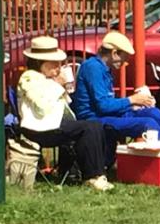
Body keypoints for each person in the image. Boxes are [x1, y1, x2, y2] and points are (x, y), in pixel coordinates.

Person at [16, 36, 114, 191]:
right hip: (40, 129)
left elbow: (63, 104)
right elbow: (41, 106)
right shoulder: (29, 78)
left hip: (53, 125)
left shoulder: (46, 79)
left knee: (94, 126)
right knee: (90, 127)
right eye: (54, 64)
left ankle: (94, 172)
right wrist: (58, 85)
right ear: (40, 63)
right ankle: (93, 176)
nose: (58, 68)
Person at [72, 31, 160, 143]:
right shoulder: (93, 68)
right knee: (148, 123)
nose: (125, 63)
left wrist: (133, 105)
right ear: (114, 53)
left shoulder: (104, 68)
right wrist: (131, 100)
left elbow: (107, 101)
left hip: (106, 115)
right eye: (124, 58)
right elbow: (103, 106)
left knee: (154, 113)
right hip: (93, 119)